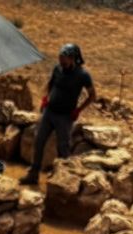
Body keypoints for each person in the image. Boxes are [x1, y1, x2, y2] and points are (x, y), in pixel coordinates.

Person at [21, 43, 95, 185]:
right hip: (49, 112)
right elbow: (51, 84)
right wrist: (45, 99)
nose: (62, 63)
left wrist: (78, 110)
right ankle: (33, 175)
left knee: (63, 148)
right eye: (60, 59)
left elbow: (92, 96)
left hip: (65, 116)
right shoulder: (58, 68)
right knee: (38, 141)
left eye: (64, 61)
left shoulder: (83, 75)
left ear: (73, 58)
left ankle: (61, 180)